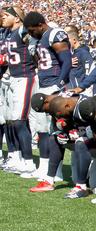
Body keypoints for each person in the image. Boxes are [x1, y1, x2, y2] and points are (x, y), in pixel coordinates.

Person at [24, 11, 71, 182]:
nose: (30, 34)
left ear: (40, 25)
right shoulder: (40, 38)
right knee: (43, 129)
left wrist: (60, 84)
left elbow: (66, 60)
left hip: (54, 84)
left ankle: (56, 171)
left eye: (31, 30)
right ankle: (44, 167)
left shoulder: (54, 34)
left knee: (55, 130)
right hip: (43, 84)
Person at [1, 7, 37, 176]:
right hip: (13, 78)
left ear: (16, 19)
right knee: (11, 121)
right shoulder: (8, 33)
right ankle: (18, 157)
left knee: (20, 120)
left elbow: (31, 23)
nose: (3, 18)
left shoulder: (22, 30)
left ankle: (28, 162)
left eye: (6, 15)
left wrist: (18, 9)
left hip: (25, 77)